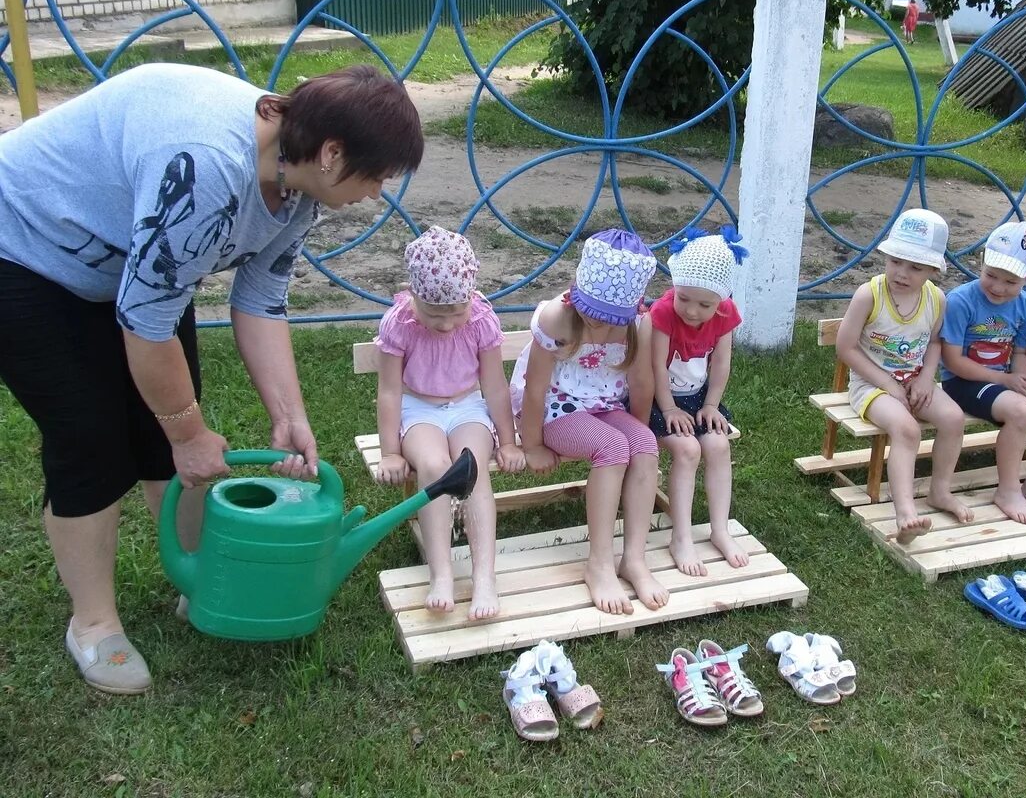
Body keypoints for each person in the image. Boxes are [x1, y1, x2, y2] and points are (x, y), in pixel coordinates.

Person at [0, 62, 424, 694]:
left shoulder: (299, 183)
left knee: (164, 431)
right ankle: (93, 624)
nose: (377, 194)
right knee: (89, 440)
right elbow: (146, 327)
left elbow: (261, 299)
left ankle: (198, 579)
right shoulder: (206, 171)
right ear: (333, 154)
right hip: (26, 247)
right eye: (378, 177)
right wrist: (188, 432)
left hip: (137, 262)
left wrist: (289, 414)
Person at [509, 229, 666, 616]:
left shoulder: (639, 324)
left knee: (643, 446)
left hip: (603, 405)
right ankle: (598, 562)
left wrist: (639, 432)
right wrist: (532, 445)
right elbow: (534, 388)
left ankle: (633, 558)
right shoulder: (556, 318)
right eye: (592, 315)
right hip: (555, 408)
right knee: (612, 447)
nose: (598, 326)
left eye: (609, 320)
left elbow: (641, 382)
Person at [371, 227, 523, 620]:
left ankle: (483, 575)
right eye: (435, 314)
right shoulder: (400, 322)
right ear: (415, 296)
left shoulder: (481, 319)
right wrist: (390, 451)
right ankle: (440, 573)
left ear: (471, 298)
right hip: (418, 409)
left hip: (468, 406)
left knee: (470, 465)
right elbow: (389, 391)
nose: (446, 325)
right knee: (436, 466)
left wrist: (507, 441)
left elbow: (493, 385)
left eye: (456, 313)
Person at [835, 209, 965, 544]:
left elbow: (935, 341)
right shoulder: (870, 294)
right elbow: (846, 348)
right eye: (896, 262)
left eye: (915, 267)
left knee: (952, 418)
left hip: (916, 380)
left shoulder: (936, 299)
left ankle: (939, 491)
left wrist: (925, 379)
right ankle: (905, 511)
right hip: (870, 385)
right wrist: (888, 384)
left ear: (933, 270)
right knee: (906, 428)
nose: (902, 273)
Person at [940, 221, 1026, 526]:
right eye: (991, 275)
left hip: (1004, 378)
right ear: (982, 263)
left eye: (1011, 281)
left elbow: (1019, 353)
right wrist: (1006, 382)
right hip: (962, 382)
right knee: (1021, 410)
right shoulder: (961, 300)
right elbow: (951, 361)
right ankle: (1008, 490)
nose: (998, 287)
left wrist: (1022, 381)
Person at [641, 225, 748, 577]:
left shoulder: (725, 315)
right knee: (688, 451)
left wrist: (712, 404)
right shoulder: (663, 312)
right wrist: (669, 408)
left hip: (699, 398)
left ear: (721, 300)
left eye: (704, 304)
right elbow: (655, 366)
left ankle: (720, 529)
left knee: (717, 446)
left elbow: (721, 363)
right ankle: (681, 537)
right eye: (683, 297)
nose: (690, 310)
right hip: (659, 400)